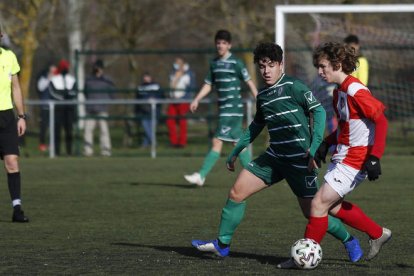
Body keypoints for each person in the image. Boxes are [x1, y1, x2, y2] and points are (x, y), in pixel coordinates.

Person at [191, 42, 363, 265]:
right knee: (236, 192)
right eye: (262, 66)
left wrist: (313, 149)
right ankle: (222, 245)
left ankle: (349, 240)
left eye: (271, 65)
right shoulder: (262, 94)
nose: (266, 71)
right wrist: (235, 151)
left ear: (281, 65)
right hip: (273, 157)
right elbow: (256, 125)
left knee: (313, 213)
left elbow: (319, 112)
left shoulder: (294, 86)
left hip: (300, 160)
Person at [280, 42, 390, 269]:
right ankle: (377, 233)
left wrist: (375, 157)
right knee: (333, 207)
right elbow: (344, 127)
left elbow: (381, 120)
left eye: (322, 67)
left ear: (337, 64)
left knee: (318, 204)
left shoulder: (355, 90)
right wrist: (325, 144)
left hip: (355, 160)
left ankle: (303, 257)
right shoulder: (339, 91)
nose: (319, 72)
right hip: (342, 157)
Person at [184, 29, 258, 186]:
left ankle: (201, 175)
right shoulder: (214, 64)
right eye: (218, 43)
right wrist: (197, 99)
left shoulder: (236, 63)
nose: (220, 46)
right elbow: (208, 84)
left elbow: (249, 81)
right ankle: (255, 176)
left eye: (224, 43)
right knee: (237, 144)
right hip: (224, 109)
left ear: (229, 45)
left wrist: (259, 98)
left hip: (233, 109)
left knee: (217, 141)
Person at [0, 25, 29, 222]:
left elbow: (16, 88)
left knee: (12, 162)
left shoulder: (9, 56)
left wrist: (21, 116)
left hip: (6, 117)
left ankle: (17, 209)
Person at [83, 59, 114, 157]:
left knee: (104, 130)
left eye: (99, 67)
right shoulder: (88, 79)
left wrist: (106, 101)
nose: (97, 69)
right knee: (88, 130)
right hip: (90, 109)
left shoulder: (107, 80)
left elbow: (112, 93)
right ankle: (88, 151)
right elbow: (85, 92)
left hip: (102, 109)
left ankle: (106, 150)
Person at [49, 59, 77, 156]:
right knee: (57, 131)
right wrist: (62, 98)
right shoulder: (54, 80)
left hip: (69, 109)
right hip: (58, 109)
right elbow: (52, 92)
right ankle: (56, 152)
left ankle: (69, 152)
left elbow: (74, 92)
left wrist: (68, 96)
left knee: (69, 131)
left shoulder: (71, 79)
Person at [166, 57, 195, 148]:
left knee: (182, 122)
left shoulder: (189, 74)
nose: (176, 64)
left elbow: (191, 88)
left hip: (183, 101)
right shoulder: (172, 73)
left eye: (178, 63)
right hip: (173, 100)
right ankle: (173, 142)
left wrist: (187, 99)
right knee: (170, 121)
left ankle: (182, 142)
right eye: (176, 63)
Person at [135, 72, 163, 148]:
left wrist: (155, 99)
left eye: (147, 76)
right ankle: (153, 143)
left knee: (151, 129)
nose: (146, 78)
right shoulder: (140, 87)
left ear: (150, 77)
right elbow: (137, 99)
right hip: (143, 111)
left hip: (154, 111)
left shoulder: (156, 86)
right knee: (147, 128)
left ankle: (145, 144)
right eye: (144, 77)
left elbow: (161, 96)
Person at [36, 63, 58, 152]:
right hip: (45, 106)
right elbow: (40, 88)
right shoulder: (43, 78)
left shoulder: (58, 78)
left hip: (56, 107)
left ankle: (52, 145)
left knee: (54, 127)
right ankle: (42, 144)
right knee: (43, 126)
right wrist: (48, 79)